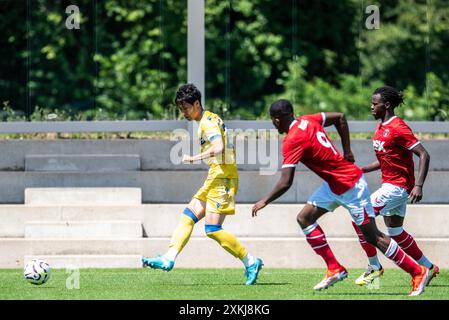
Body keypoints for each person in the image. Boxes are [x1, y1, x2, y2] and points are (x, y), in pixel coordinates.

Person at [251, 99, 431, 296]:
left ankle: (418, 271)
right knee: (304, 218)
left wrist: (264, 200)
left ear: (277, 120)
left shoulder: (291, 140)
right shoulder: (309, 120)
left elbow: (286, 182)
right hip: (334, 185)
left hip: (351, 186)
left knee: (373, 236)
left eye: (273, 120)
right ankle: (334, 268)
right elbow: (340, 118)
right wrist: (347, 151)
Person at [142, 83, 263, 285]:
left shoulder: (207, 123)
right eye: (181, 109)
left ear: (197, 103)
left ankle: (251, 261)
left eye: (186, 108)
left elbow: (219, 146)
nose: (184, 113)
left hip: (222, 178)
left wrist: (194, 157)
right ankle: (168, 258)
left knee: (212, 229)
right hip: (215, 176)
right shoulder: (208, 118)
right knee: (187, 217)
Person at [352, 86, 439, 286]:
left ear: (387, 105)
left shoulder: (398, 127)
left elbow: (424, 154)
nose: (371, 107)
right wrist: (362, 170)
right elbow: (386, 160)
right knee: (395, 232)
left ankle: (374, 266)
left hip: (397, 187)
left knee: (360, 217)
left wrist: (419, 185)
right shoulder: (381, 126)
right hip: (392, 187)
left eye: (375, 104)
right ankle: (429, 266)